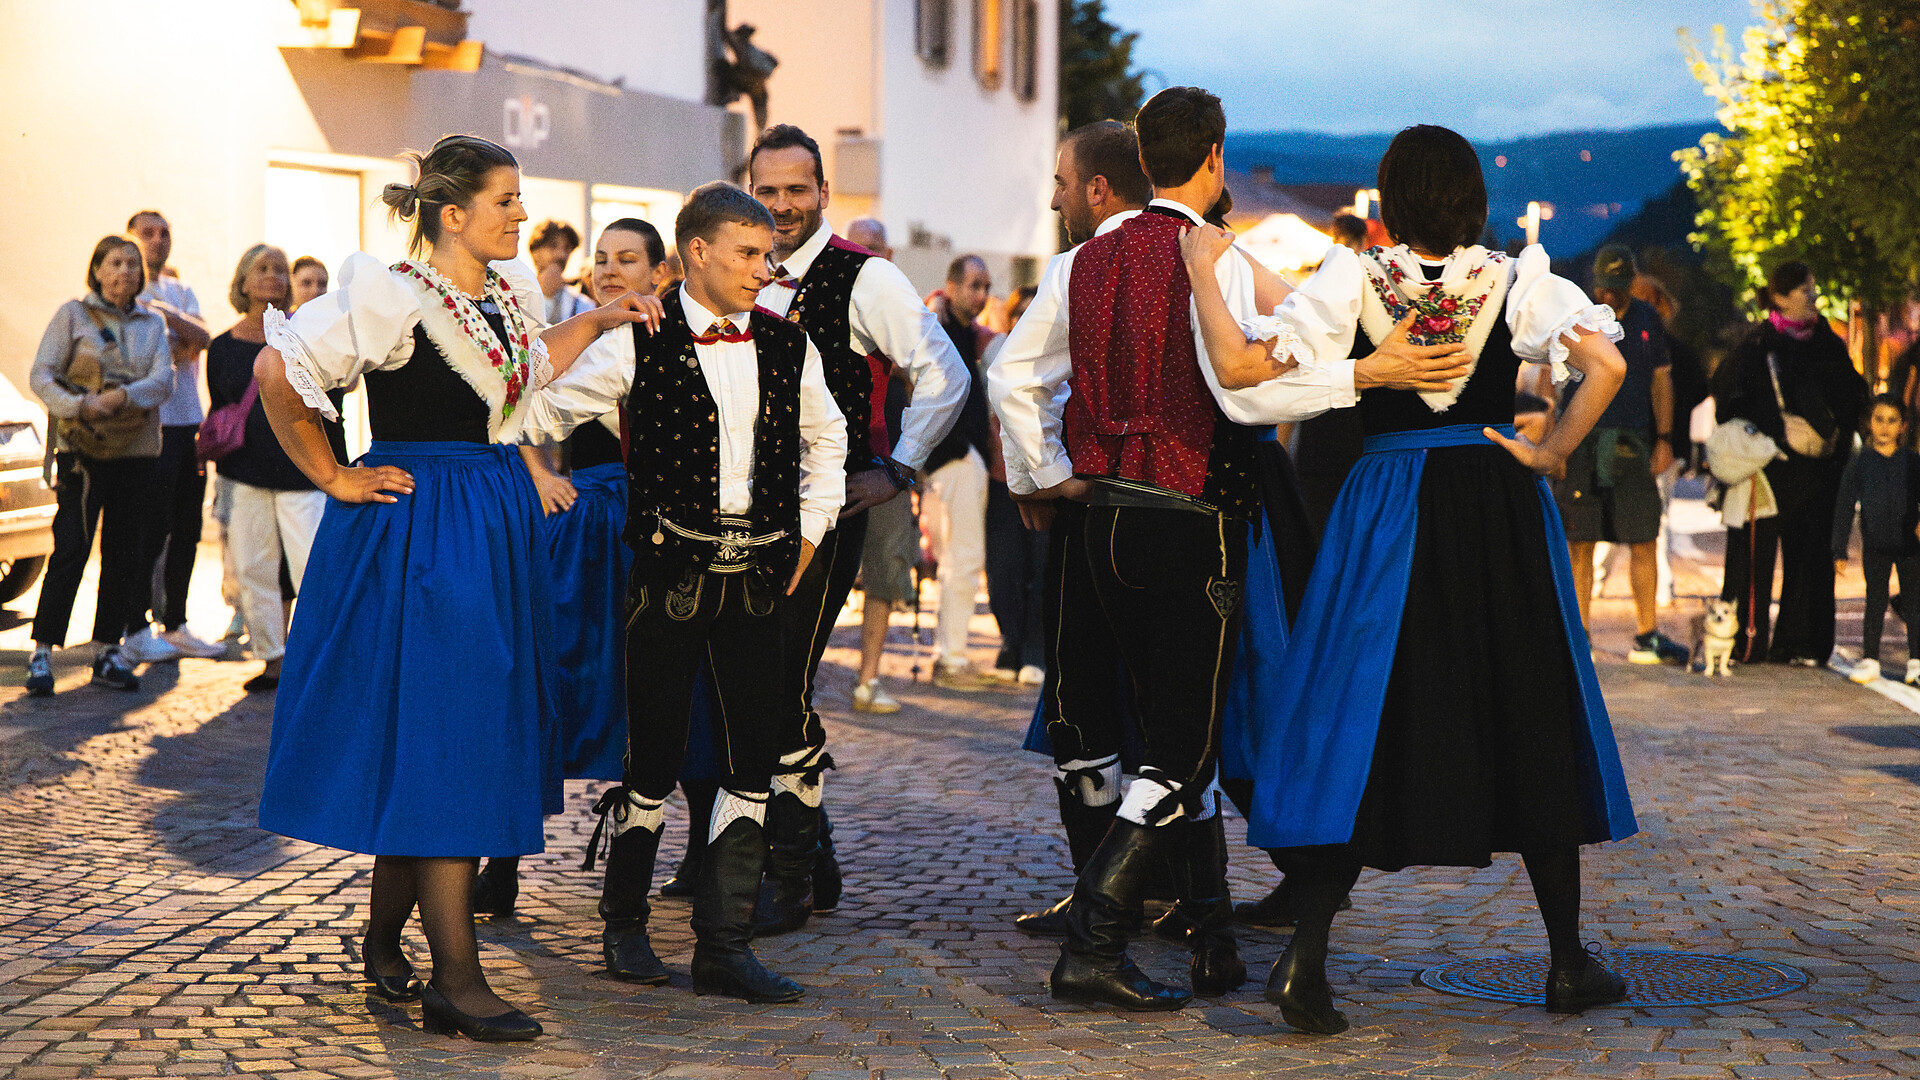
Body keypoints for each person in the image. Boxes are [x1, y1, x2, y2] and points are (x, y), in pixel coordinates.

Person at [1184, 123, 1639, 1035]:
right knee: (1528, 701)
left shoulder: (1353, 278)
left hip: (1385, 500)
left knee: (1361, 712)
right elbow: (1607, 364)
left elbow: (1255, 380)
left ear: (1389, 198)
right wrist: (1551, 451)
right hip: (1493, 500)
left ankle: (1306, 959)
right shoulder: (1517, 279)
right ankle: (1565, 962)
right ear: (1473, 196)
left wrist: (1208, 273)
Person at [254, 134, 661, 1041]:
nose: (523, 215)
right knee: (447, 733)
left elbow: (521, 376)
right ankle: (457, 977)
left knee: (457, 731)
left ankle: (382, 939)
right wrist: (334, 475)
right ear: (453, 214)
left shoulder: (499, 300)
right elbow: (278, 370)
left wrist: (601, 320)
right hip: (424, 528)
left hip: (488, 519)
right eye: (508, 200)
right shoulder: (389, 291)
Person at [523, 181, 847, 1001]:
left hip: (761, 580)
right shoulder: (641, 340)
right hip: (667, 578)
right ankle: (624, 927)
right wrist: (593, 323)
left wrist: (808, 536)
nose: (764, 269)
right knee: (653, 756)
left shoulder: (787, 344)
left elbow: (829, 440)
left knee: (753, 758)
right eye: (749, 253)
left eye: (769, 253)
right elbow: (538, 411)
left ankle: (724, 944)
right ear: (697, 252)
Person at [746, 123, 968, 937]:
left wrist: (898, 467)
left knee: (783, 681)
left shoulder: (862, 277)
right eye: (766, 191)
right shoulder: (742, 274)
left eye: (795, 190)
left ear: (823, 193)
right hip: (743, 517)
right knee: (759, 679)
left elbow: (945, 373)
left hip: (826, 513)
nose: (781, 206)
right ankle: (816, 852)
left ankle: (792, 873)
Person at [472, 217, 672, 919]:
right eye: (602, 260)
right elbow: (512, 405)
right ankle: (500, 862)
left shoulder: (671, 338)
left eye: (627, 260)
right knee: (546, 687)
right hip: (582, 531)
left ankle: (656, 871)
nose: (610, 271)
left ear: (658, 272)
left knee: (652, 695)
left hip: (653, 539)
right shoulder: (572, 335)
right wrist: (538, 476)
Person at [24, 235, 174, 695]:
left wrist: (123, 396)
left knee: (125, 553)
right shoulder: (72, 315)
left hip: (137, 454)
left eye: (132, 263)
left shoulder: (153, 324)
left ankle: (108, 650)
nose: (126, 270)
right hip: (83, 453)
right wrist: (78, 406)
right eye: (115, 262)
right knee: (71, 548)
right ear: (97, 269)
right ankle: (43, 652)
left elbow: (163, 380)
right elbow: (41, 374)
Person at [206, 245, 347, 693]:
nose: (272, 277)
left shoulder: (303, 334)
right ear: (243, 281)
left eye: (280, 271)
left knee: (313, 568)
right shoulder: (223, 347)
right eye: (262, 269)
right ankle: (272, 658)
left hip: (301, 471)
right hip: (246, 473)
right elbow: (223, 407)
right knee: (254, 569)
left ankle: (322, 657)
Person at [1713, 261, 1868, 665]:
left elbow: (1853, 392)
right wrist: (1777, 427)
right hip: (1769, 470)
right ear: (1780, 296)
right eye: (1805, 290)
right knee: (1753, 559)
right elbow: (1729, 400)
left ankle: (1802, 643)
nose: (1813, 297)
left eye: (1813, 289)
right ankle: (1746, 640)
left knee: (1811, 558)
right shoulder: (1757, 344)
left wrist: (1833, 435)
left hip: (1817, 473)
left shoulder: (1827, 342)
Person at [1554, 245, 1688, 664]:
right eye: (1601, 286)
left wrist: (1664, 438)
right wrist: (1555, 445)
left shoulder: (1649, 320)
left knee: (1644, 538)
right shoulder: (1578, 316)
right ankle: (1580, 638)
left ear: (1632, 282)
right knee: (1581, 541)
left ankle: (1646, 635)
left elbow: (1661, 383)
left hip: (1632, 441)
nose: (1607, 294)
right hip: (1583, 439)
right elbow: (1550, 379)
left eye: (1615, 286)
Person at [127, 210, 221, 663]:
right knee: (151, 525)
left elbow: (200, 338)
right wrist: (177, 340)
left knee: (187, 525)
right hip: (151, 428)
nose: (158, 240)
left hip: (189, 425)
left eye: (165, 232)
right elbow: (161, 352)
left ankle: (176, 623)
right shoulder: (126, 293)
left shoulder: (178, 291)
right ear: (129, 238)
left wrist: (167, 317)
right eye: (148, 233)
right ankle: (135, 625)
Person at [840, 217, 916, 715]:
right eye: (857, 248)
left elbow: (922, 374)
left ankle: (868, 679)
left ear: (888, 256)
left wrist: (911, 463)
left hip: (884, 459)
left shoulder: (895, 306)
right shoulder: (825, 298)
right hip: (833, 459)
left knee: (886, 571)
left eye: (875, 250)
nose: (865, 257)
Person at [920, 255, 997, 688]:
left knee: (958, 560)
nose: (982, 295)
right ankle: (951, 659)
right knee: (962, 559)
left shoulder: (966, 332)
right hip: (951, 458)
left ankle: (951, 654)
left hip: (957, 457)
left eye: (986, 286)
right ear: (951, 286)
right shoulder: (937, 327)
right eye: (974, 285)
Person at [982, 284, 1046, 684]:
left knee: (1041, 568)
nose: (1024, 319)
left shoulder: (1056, 355)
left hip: (1046, 482)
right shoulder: (995, 354)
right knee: (1002, 570)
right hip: (1001, 479)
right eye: (1018, 312)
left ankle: (1035, 650)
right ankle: (1010, 642)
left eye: (1032, 311)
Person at [1834, 395, 1920, 685]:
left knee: (1913, 602)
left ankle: (1916, 661)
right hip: (1876, 544)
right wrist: (1839, 549)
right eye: (1879, 419)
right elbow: (1844, 505)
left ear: (1903, 426)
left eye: (1892, 420)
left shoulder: (1912, 462)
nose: (1884, 427)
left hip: (1910, 545)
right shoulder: (1860, 463)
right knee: (1875, 600)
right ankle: (1870, 658)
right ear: (1868, 423)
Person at [529, 219, 593, 324]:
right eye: (552, 246)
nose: (561, 255)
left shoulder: (582, 305)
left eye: (567, 248)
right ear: (535, 252)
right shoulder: (514, 293)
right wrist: (545, 295)